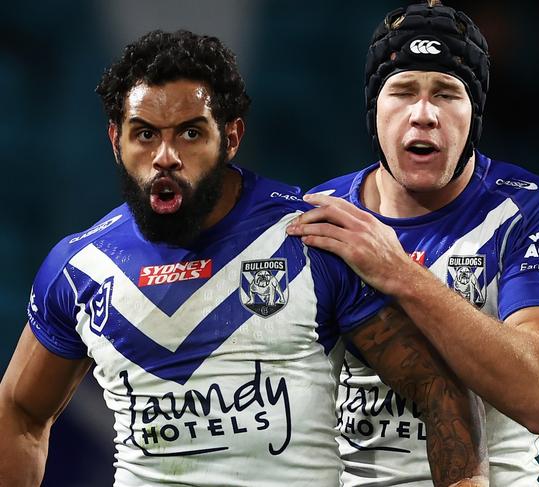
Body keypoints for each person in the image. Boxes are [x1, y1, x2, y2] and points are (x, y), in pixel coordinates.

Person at [0, 30, 488, 487]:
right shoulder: (79, 267)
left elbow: (440, 387)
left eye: (190, 134)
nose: (165, 155)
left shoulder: (311, 238)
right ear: (115, 140)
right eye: (145, 134)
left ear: (230, 137)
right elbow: (19, 411)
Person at [287, 1, 539, 485]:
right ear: (374, 108)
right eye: (403, 91)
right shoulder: (322, 216)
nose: (423, 114)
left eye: (447, 93)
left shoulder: (534, 210)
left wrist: (401, 274)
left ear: (475, 114)